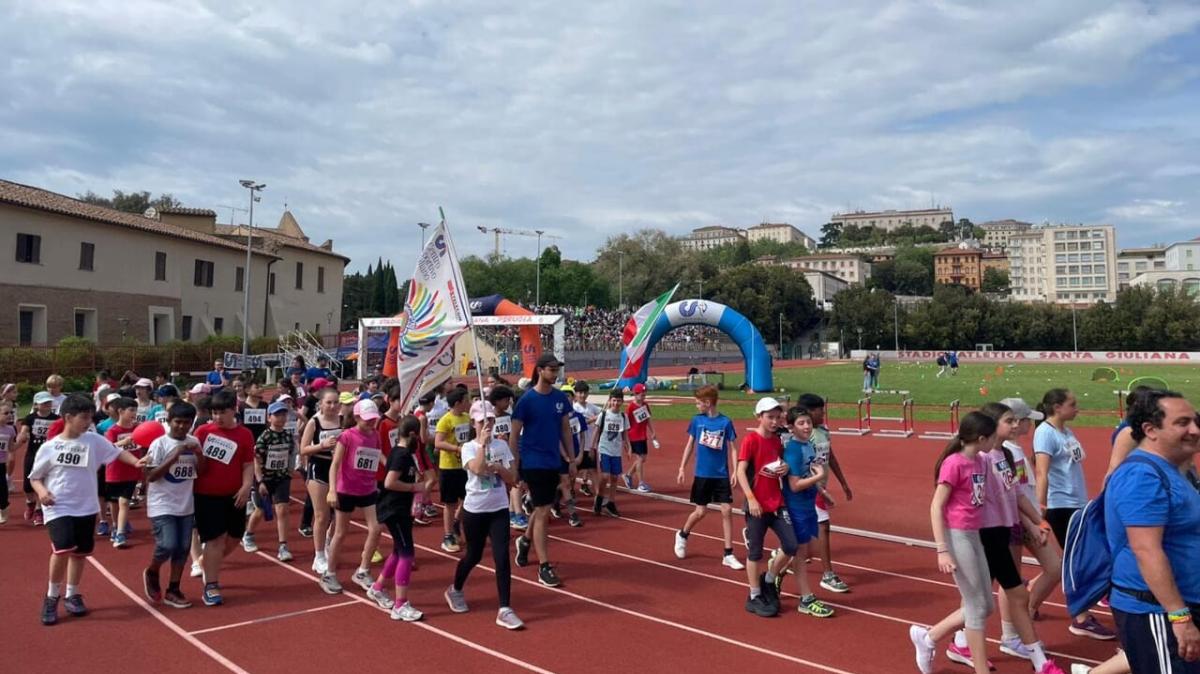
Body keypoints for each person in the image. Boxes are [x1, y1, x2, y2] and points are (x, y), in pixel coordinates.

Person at [1104, 390, 1200, 673]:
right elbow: (1146, 549)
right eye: (1182, 423)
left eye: (1195, 421)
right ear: (1150, 429)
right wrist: (1179, 617)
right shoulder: (1143, 476)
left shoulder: (1172, 470)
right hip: (1155, 611)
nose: (1195, 429)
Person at [30, 394, 147, 625]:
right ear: (67, 417)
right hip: (59, 506)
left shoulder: (93, 440)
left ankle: (73, 594)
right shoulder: (49, 447)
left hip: (86, 506)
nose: (88, 422)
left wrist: (136, 462)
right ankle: (52, 597)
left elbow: (116, 451)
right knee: (62, 549)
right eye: (83, 418)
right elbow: (35, 478)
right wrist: (42, 492)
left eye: (90, 418)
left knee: (80, 553)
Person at [909, 412, 998, 674]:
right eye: (992, 437)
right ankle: (980, 668)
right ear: (981, 438)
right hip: (956, 536)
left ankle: (929, 637)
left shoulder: (981, 460)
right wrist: (942, 550)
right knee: (976, 607)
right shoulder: (954, 463)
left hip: (974, 534)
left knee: (986, 605)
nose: (995, 442)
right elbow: (936, 506)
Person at [1033, 388, 1114, 640]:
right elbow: (1042, 473)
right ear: (1057, 407)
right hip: (1059, 506)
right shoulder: (1045, 433)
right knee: (1077, 561)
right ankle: (1080, 618)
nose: (1077, 408)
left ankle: (1027, 601)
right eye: (1072, 404)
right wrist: (1040, 512)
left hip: (1076, 504)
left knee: (1072, 560)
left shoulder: (1066, 431)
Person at [446, 406, 524, 630]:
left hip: (498, 508)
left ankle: (505, 609)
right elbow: (478, 469)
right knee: (473, 555)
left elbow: (513, 479)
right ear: (473, 423)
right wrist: (482, 444)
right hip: (475, 510)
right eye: (481, 421)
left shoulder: (501, 446)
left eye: (490, 420)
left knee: (502, 557)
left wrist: (499, 467)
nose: (486, 425)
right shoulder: (468, 448)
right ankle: (456, 589)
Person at [511, 353, 573, 588]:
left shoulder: (560, 399)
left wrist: (571, 459)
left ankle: (525, 541)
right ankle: (544, 565)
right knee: (543, 510)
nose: (555, 373)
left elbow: (565, 429)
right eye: (551, 369)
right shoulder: (526, 401)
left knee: (542, 509)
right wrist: (514, 465)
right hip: (533, 461)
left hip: (553, 461)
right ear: (540, 370)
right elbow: (515, 435)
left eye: (557, 369)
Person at [192, 391, 255, 606]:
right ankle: (211, 585)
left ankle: (206, 561)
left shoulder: (245, 434)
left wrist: (247, 485)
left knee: (236, 536)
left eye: (222, 412)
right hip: (206, 496)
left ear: (233, 410)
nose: (218, 417)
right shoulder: (203, 431)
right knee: (215, 540)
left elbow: (248, 464)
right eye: (214, 413)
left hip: (235, 495)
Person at [673, 384, 744, 570]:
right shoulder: (697, 421)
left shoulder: (725, 422)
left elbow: (733, 448)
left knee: (726, 510)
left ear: (708, 402)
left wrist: (735, 470)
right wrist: (682, 467)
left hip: (720, 474)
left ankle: (728, 553)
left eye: (698, 403)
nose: (696, 406)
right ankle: (682, 534)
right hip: (702, 474)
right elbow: (690, 445)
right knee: (700, 512)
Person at [736, 397, 795, 618]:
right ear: (759, 417)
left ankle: (769, 579)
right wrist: (751, 499)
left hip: (776, 503)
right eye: (769, 417)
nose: (774, 421)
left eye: (777, 417)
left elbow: (779, 464)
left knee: (792, 544)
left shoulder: (778, 442)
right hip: (756, 507)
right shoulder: (751, 440)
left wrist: (785, 467)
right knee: (755, 553)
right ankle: (754, 595)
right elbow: (741, 471)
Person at [323, 399, 384, 595]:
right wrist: (332, 490)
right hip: (345, 489)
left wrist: (390, 465)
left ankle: (363, 570)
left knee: (375, 529)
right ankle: (329, 574)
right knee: (340, 533)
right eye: (367, 419)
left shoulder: (375, 435)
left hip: (367, 489)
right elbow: (335, 465)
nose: (371, 422)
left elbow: (377, 454)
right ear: (357, 417)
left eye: (374, 419)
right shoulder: (347, 436)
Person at [777, 406, 834, 617]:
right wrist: (818, 478)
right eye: (801, 423)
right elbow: (794, 485)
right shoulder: (793, 450)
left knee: (807, 551)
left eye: (808, 422)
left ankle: (775, 574)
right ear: (791, 427)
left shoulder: (808, 446)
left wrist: (822, 491)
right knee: (801, 553)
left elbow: (809, 471)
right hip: (796, 507)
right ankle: (805, 597)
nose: (807, 426)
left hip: (809, 504)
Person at [143, 402, 200, 608]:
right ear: (169, 421)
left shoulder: (194, 442)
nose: (182, 427)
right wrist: (174, 456)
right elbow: (150, 476)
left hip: (185, 504)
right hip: (162, 503)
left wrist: (199, 455)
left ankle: (173, 588)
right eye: (178, 422)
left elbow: (200, 472)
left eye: (186, 423)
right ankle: (152, 570)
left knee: (183, 548)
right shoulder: (159, 444)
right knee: (167, 544)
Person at [370, 415, 426, 621]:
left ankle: (377, 587)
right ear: (412, 434)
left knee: (397, 550)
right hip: (394, 510)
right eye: (418, 435)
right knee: (407, 554)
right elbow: (389, 482)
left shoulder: (401, 452)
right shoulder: (401, 455)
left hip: (400, 508)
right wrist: (414, 487)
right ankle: (400, 604)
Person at [800, 393, 853, 594]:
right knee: (824, 526)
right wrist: (819, 489)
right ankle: (827, 575)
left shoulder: (823, 431)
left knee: (803, 530)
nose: (824, 414)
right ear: (811, 412)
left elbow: (830, 456)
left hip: (821, 486)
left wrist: (844, 483)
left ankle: (783, 556)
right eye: (821, 411)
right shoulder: (805, 436)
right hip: (810, 488)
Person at [243, 401, 296, 562]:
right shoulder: (264, 437)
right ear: (269, 417)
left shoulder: (288, 435)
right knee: (260, 510)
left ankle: (283, 546)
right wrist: (261, 482)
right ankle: (249, 534)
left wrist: (290, 470)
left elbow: (291, 454)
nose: (281, 418)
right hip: (265, 479)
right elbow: (256, 461)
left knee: (282, 509)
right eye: (277, 415)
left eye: (283, 414)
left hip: (282, 478)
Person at [299, 388, 343, 573]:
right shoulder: (314, 422)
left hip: (339, 468)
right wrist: (321, 445)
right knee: (321, 515)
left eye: (335, 402)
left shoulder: (343, 420)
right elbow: (303, 449)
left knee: (337, 514)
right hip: (319, 467)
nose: (332, 406)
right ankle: (318, 556)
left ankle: (325, 545)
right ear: (321, 404)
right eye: (328, 402)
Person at [434, 388, 472, 552]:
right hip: (448, 467)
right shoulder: (445, 420)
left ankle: (457, 521)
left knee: (469, 499)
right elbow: (438, 443)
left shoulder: (466, 418)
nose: (468, 403)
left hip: (464, 466)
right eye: (466, 400)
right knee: (450, 503)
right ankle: (448, 535)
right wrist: (457, 449)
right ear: (458, 403)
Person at [103, 397, 142, 548]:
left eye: (135, 410)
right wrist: (122, 443)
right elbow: (106, 448)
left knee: (124, 502)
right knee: (114, 504)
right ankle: (115, 525)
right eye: (131, 410)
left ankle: (120, 533)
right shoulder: (113, 431)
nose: (134, 413)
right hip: (114, 472)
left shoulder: (138, 428)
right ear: (120, 411)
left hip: (131, 471)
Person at [18, 391, 60, 526]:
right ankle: (30, 502)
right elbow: (24, 431)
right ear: (37, 405)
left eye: (49, 403)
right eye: (44, 403)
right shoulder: (30, 418)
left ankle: (38, 510)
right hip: (33, 453)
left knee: (42, 482)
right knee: (27, 485)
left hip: (49, 455)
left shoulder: (56, 418)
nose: (47, 405)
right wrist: (22, 436)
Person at [591, 389, 630, 518]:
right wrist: (592, 447)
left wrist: (628, 447)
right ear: (609, 401)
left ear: (622, 402)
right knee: (605, 476)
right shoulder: (603, 415)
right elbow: (596, 431)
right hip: (604, 449)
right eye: (614, 400)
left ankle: (611, 503)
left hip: (616, 451)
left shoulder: (623, 417)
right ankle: (599, 498)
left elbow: (624, 434)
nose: (616, 403)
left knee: (614, 478)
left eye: (619, 400)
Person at [622, 383, 657, 492]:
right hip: (634, 436)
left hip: (642, 436)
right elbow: (625, 422)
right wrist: (625, 439)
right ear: (635, 395)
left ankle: (628, 475)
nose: (643, 397)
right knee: (640, 458)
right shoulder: (631, 407)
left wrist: (653, 431)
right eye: (641, 395)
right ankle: (641, 483)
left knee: (643, 458)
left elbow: (648, 419)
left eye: (644, 395)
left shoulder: (645, 405)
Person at [572, 381, 600, 497]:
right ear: (576, 394)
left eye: (585, 393)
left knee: (593, 469)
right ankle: (570, 491)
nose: (582, 395)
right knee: (573, 472)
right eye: (580, 393)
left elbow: (602, 414)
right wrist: (592, 419)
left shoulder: (591, 407)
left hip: (590, 444)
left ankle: (599, 495)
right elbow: (579, 423)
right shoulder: (574, 408)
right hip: (577, 445)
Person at [0, 401, 17, 524]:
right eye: (6, 413)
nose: (9, 415)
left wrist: (20, 441)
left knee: (2, 489)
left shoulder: (10, 430)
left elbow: (11, 448)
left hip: (1, 464)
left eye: (11, 413)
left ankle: (4, 507)